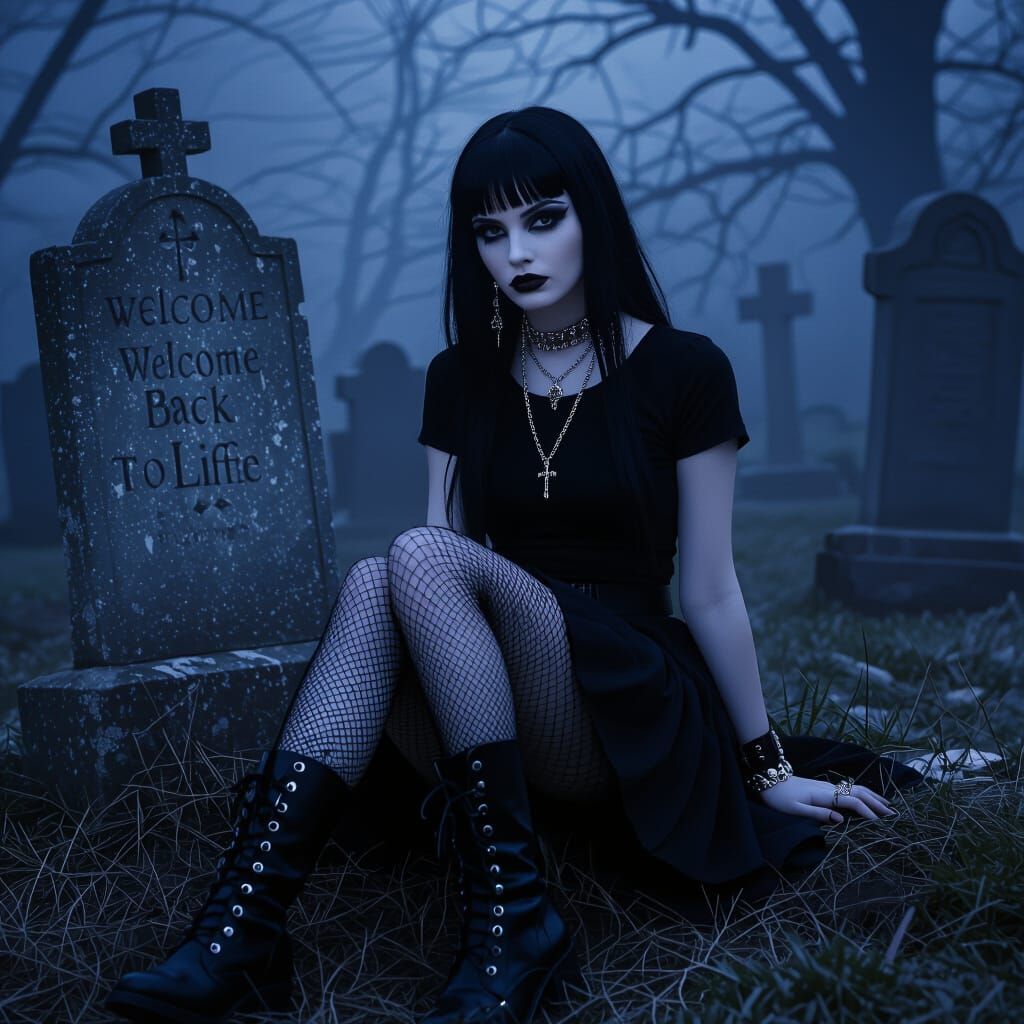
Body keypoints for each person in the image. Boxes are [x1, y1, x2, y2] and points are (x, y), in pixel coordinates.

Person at [106, 106, 926, 1024]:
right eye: (489, 232)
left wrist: (767, 765)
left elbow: (710, 586)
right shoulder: (461, 377)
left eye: (543, 219)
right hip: (490, 700)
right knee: (389, 577)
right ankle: (245, 929)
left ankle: (502, 918)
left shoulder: (685, 370)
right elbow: (433, 574)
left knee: (409, 558)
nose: (516, 252)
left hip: (626, 693)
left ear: (594, 219)